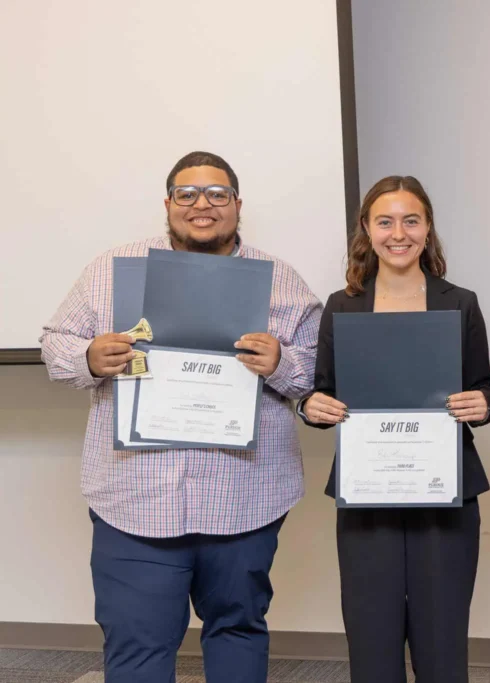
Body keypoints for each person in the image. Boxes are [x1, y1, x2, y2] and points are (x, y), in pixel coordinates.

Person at [39, 151, 323, 683]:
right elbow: (56, 344)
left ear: (237, 204)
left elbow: (319, 376)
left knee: (238, 633)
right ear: (168, 203)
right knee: (137, 648)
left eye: (217, 194)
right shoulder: (110, 270)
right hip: (135, 501)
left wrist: (282, 363)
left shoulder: (282, 281)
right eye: (187, 194)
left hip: (245, 498)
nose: (202, 205)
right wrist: (88, 357)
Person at [298, 175, 490, 683]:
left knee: (442, 642)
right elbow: (322, 392)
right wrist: (310, 407)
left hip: (446, 493)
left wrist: (484, 404)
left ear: (428, 228)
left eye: (411, 220)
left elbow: (485, 389)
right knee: (372, 640)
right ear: (367, 229)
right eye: (385, 222)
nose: (398, 233)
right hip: (368, 492)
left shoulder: (460, 302)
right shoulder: (342, 305)